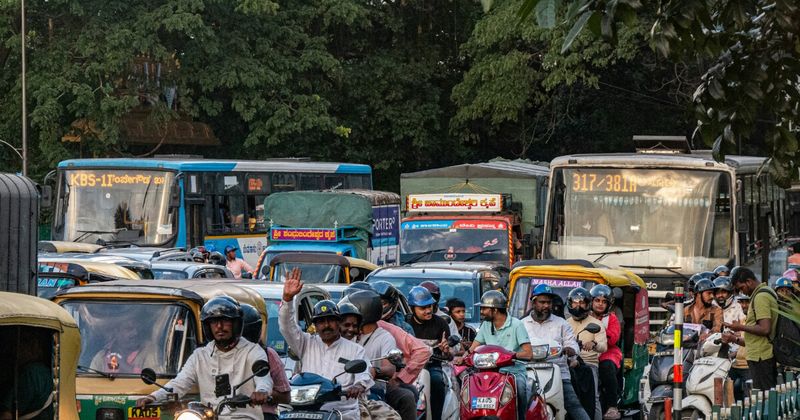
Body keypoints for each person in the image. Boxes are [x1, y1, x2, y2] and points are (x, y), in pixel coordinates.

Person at [136, 296, 273, 419]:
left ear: (236, 324)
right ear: (208, 327)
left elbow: (264, 380)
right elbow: (180, 383)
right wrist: (153, 397)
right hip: (206, 416)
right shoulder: (200, 355)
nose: (219, 327)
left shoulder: (253, 351)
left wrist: (261, 392)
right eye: (214, 322)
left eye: (225, 321)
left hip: (243, 417)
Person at [279, 268, 373, 418]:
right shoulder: (306, 343)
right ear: (315, 326)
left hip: (343, 412)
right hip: (305, 411)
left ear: (338, 323)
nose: (326, 325)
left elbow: (364, 373)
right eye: (321, 321)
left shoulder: (355, 350)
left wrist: (358, 386)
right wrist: (287, 299)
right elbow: (286, 327)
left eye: (330, 320)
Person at [522, 284, 591, 420]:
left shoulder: (562, 324)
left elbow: (573, 345)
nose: (546, 306)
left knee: (574, 406)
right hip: (528, 373)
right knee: (518, 404)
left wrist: (570, 349)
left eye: (549, 302)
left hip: (558, 373)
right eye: (542, 302)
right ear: (533, 302)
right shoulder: (522, 324)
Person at [462, 290, 533, 420]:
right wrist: (464, 357)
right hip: (487, 371)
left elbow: (528, 353)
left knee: (521, 388)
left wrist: (513, 355)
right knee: (468, 386)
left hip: (513, 371)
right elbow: (474, 347)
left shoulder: (517, 325)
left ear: (495, 310)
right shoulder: (486, 325)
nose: (481, 312)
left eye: (484, 308)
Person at [344, 290, 414, 420]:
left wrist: (374, 370)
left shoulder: (385, 337)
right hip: (345, 385)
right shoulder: (348, 335)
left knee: (406, 397)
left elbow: (390, 368)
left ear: (363, 312)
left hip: (375, 385)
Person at [725, 266, 779, 391]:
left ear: (749, 281)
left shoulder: (761, 297)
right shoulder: (762, 294)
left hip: (762, 357)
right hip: (759, 354)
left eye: (741, 288)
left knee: (764, 396)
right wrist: (734, 338)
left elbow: (765, 329)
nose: (742, 292)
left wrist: (740, 327)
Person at [406, 286, 452, 420]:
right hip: (410, 366)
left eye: (429, 306)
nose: (428, 310)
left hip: (432, 366)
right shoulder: (405, 324)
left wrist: (446, 351)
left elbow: (449, 357)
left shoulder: (441, 323)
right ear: (412, 308)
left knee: (437, 382)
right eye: (422, 308)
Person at [239, 303, 291, 420]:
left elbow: (286, 397)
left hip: (262, 415)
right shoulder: (219, 355)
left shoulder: (269, 355)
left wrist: (265, 395)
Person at [567, 287, 608, 420]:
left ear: (587, 304)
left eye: (582, 302)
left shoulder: (596, 324)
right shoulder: (564, 323)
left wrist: (594, 344)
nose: (578, 306)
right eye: (575, 302)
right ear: (570, 303)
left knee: (593, 397)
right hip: (567, 364)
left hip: (588, 364)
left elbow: (603, 347)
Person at [0, 329, 54, 420]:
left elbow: (7, 415)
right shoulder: (46, 372)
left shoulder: (30, 373)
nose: (14, 350)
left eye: (20, 345)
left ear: (31, 347)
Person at [588, 284, 622, 420]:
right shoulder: (584, 317)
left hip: (608, 352)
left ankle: (612, 407)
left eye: (604, 302)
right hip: (587, 353)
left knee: (606, 366)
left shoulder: (612, 318)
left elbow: (613, 338)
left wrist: (598, 332)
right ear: (591, 301)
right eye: (597, 300)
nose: (600, 304)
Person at [90, 317, 156, 374]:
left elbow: (153, 382)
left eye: (137, 328)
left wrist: (124, 365)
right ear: (116, 331)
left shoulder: (149, 351)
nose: (135, 333)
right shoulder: (102, 356)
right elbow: (89, 384)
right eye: (129, 329)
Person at [722, 294, 750, 402]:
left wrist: (733, 338)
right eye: (741, 302)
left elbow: (749, 342)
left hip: (748, 364)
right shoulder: (742, 321)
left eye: (747, 302)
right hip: (737, 363)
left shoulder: (754, 322)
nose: (743, 305)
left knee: (749, 396)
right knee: (725, 385)